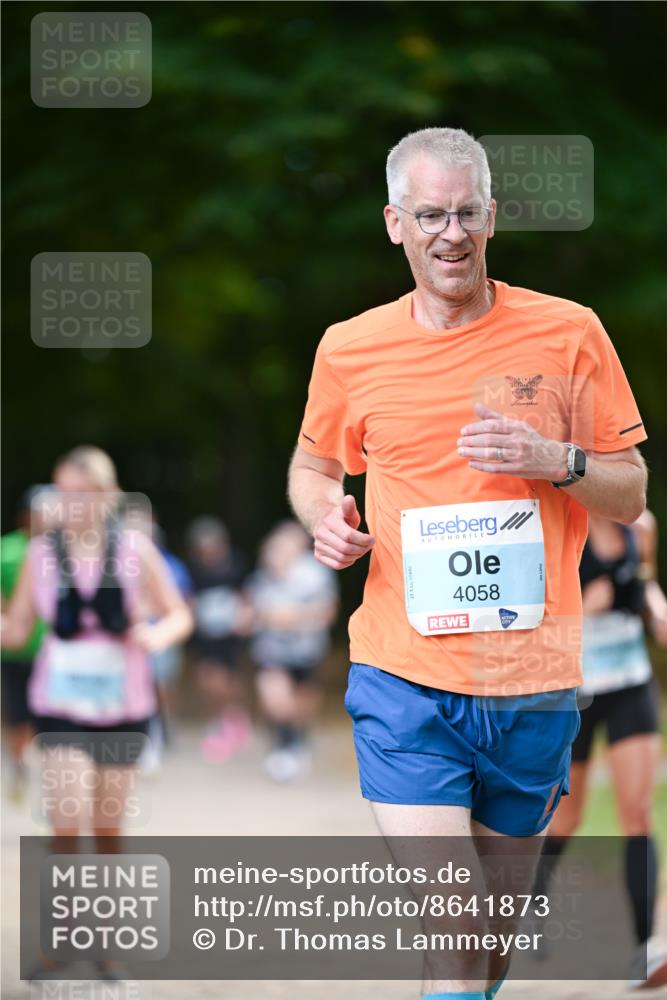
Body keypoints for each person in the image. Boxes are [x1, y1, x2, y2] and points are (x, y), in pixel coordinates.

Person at [288, 127, 648, 1000]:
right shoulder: (350, 347)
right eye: (428, 215)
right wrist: (321, 521)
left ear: (492, 215)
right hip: (403, 674)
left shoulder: (569, 333)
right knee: (452, 925)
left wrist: (552, 458)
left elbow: (628, 491)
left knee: (486, 940)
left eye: (464, 212)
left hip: (530, 678)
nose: (449, 233)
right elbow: (312, 466)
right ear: (393, 224)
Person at [534, 509, 667, 989]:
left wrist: (656, 606)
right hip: (575, 687)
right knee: (567, 817)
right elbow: (534, 613)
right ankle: (533, 901)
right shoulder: (563, 526)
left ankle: (643, 951)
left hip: (631, 681)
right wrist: (583, 606)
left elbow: (644, 580)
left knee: (637, 814)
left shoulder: (641, 526)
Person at [245, 519, 338, 781]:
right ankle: (281, 750)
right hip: (271, 652)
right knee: (277, 701)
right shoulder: (262, 576)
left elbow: (329, 611)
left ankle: (298, 743)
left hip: (307, 651)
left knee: (300, 708)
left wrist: (294, 617)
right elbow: (250, 610)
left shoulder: (315, 573)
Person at [0, 486, 53, 801]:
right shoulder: (6, 550)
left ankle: (53, 787)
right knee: (18, 717)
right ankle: (19, 765)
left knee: (48, 720)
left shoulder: (64, 551)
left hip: (51, 653)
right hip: (16, 651)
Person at [186, 516, 252, 763]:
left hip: (229, 634)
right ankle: (216, 721)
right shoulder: (195, 568)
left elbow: (246, 594)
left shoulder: (235, 564)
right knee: (206, 679)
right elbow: (190, 597)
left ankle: (233, 718)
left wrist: (244, 615)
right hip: (205, 634)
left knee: (227, 680)